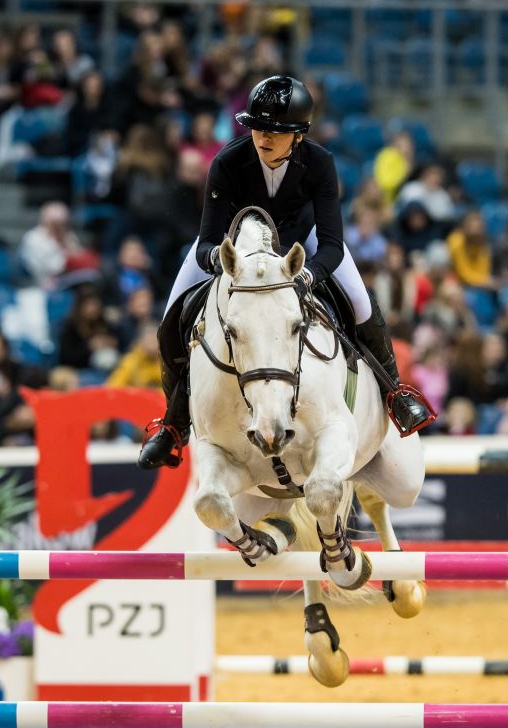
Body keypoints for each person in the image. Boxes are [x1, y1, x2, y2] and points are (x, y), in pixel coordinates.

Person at [139, 75, 435, 470]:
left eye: (275, 132)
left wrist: (309, 275)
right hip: (235, 245)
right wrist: (222, 262)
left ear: (297, 136)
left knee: (361, 303)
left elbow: (331, 243)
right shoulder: (227, 161)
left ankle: (395, 392)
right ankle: (174, 425)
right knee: (171, 317)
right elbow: (207, 239)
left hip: (302, 242)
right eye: (258, 127)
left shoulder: (319, 163)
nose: (263, 137)